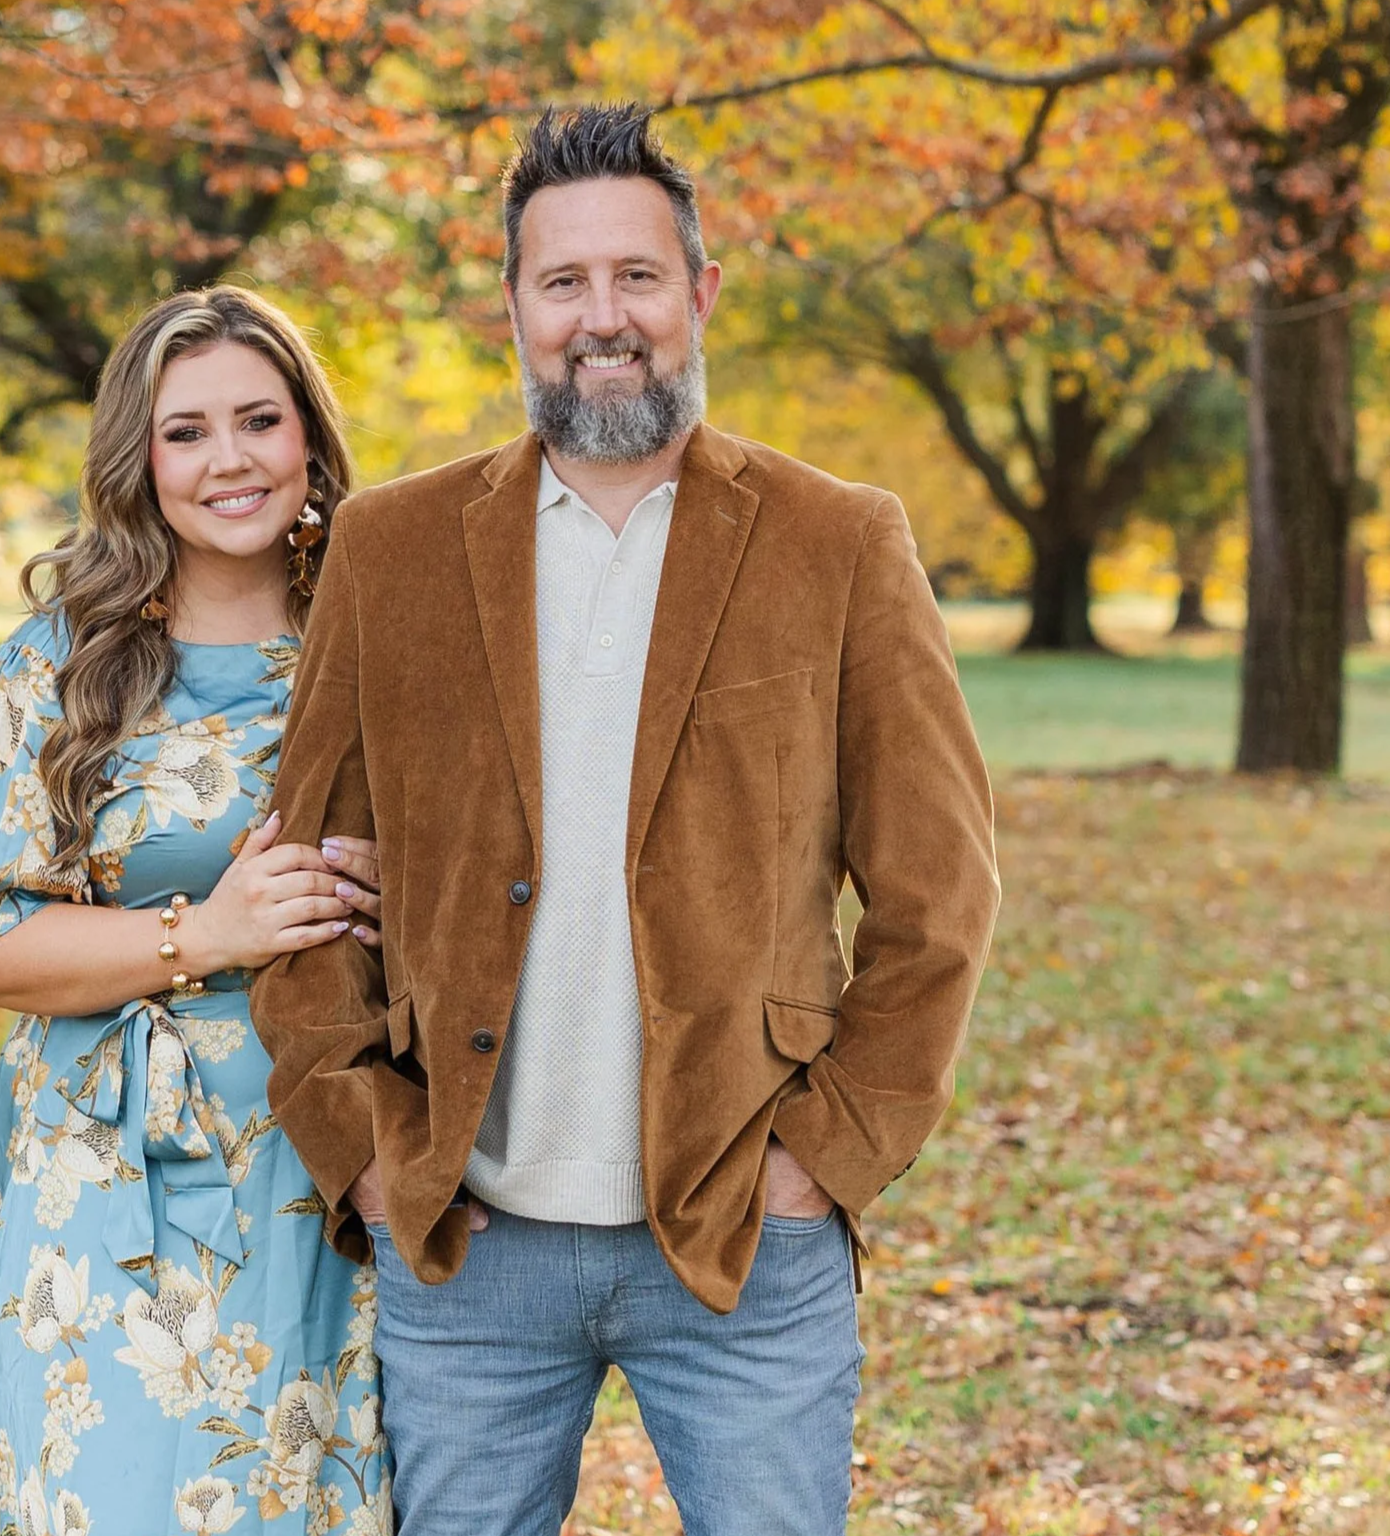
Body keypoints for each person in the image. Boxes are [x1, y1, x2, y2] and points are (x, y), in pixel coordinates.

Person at [252, 106, 1001, 1536]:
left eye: (637, 276)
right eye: (564, 282)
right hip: (466, 1247)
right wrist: (367, 1154)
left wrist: (828, 1154)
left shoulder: (836, 541)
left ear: (699, 293)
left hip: (741, 1239)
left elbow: (939, 894)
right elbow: (300, 886)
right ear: (514, 308)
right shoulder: (390, 550)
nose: (604, 317)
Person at [0, 287, 393, 1536]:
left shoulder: (385, 643)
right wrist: (210, 934)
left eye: (258, 420)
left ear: (309, 437)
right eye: (185, 432)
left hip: (335, 1154)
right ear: (138, 459)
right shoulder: (59, 660)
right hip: (105, 1166)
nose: (228, 459)